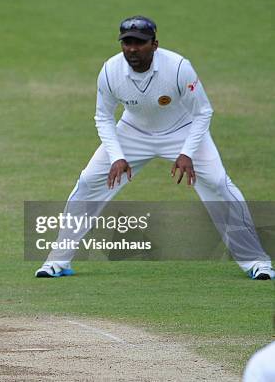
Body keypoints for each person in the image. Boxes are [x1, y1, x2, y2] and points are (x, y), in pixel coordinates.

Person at [35, 16, 274, 281]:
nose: (132, 49)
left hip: (183, 131)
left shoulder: (179, 67)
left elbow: (203, 112)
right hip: (133, 132)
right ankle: (57, 261)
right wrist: (117, 157)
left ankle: (257, 262)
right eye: (127, 43)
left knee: (218, 183)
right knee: (89, 181)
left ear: (154, 44)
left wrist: (186, 152)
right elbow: (103, 117)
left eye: (139, 43)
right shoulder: (110, 71)